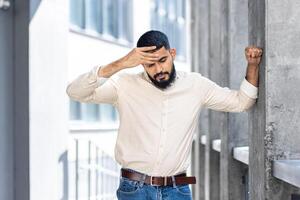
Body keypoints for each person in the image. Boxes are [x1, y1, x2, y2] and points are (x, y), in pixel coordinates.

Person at [66, 30, 262, 200]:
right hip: (134, 191)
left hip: (177, 191)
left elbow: (242, 102)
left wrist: (252, 65)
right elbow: (75, 92)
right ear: (141, 64)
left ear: (172, 54)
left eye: (162, 60)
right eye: (150, 65)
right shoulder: (124, 85)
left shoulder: (195, 85)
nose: (159, 70)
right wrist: (121, 63)